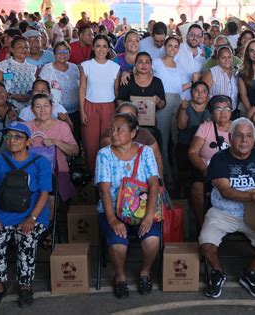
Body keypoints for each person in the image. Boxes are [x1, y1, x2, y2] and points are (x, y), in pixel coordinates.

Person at [200, 117, 255, 298]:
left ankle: (249, 273)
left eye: (249, 136)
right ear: (231, 138)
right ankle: (217, 272)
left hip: (254, 213)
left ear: (254, 139)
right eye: (239, 136)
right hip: (223, 212)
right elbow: (226, 191)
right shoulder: (219, 158)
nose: (244, 140)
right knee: (206, 244)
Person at [95, 113, 161, 298]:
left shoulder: (145, 151)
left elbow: (154, 184)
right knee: (118, 244)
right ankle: (120, 276)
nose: (114, 134)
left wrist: (149, 215)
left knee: (152, 239)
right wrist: (112, 220)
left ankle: (145, 272)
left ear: (133, 133)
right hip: (112, 210)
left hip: (141, 210)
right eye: (112, 129)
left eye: (119, 130)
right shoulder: (104, 154)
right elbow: (104, 191)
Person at [0, 122, 51, 308]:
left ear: (28, 141)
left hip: (33, 214)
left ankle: (25, 286)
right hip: (4, 213)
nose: (12, 140)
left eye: (17, 137)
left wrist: (31, 219)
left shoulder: (41, 162)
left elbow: (44, 193)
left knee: (27, 238)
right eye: (9, 137)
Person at [188, 95, 232, 228]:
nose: (223, 112)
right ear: (212, 112)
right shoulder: (205, 127)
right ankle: (203, 225)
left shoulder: (238, 126)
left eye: (226, 108)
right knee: (197, 188)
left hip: (232, 171)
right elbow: (193, 152)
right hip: (207, 168)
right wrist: (204, 169)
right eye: (218, 109)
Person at [79, 34, 120, 173]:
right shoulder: (86, 66)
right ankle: (93, 174)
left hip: (109, 107)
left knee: (108, 142)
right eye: (98, 46)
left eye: (104, 46)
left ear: (109, 49)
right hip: (90, 106)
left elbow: (116, 90)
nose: (101, 50)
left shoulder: (115, 67)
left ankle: (107, 173)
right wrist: (82, 111)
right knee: (90, 144)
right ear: (93, 48)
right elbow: (82, 89)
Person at [100, 102, 164, 181]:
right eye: (122, 115)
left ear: (137, 118)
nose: (126, 119)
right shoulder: (110, 133)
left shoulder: (144, 133)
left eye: (130, 115)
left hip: (143, 182)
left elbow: (157, 159)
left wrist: (161, 183)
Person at [153, 37, 186, 179]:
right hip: (163, 102)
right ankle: (165, 174)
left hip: (177, 101)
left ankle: (175, 172)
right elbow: (142, 74)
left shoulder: (179, 66)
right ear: (165, 47)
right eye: (170, 46)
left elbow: (179, 87)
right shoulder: (156, 62)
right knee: (163, 138)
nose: (172, 49)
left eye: (175, 47)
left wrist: (194, 82)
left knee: (175, 138)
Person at [39, 41, 80, 141]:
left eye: (65, 52)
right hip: (55, 112)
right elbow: (41, 89)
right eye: (59, 52)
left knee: (75, 138)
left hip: (75, 110)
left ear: (69, 54)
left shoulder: (74, 68)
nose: (62, 54)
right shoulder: (47, 68)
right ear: (54, 54)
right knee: (58, 138)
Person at [175, 81, 211, 189]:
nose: (200, 94)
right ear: (191, 93)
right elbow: (181, 126)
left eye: (203, 91)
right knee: (184, 174)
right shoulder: (185, 106)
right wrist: (183, 109)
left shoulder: (211, 108)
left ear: (207, 95)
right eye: (196, 91)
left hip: (204, 146)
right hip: (185, 144)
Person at [0, 36, 37, 112]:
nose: (24, 49)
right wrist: (12, 96)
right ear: (12, 49)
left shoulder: (33, 68)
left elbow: (35, 88)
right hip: (9, 107)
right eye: (20, 46)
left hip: (29, 108)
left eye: (26, 47)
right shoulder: (3, 66)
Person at [202, 46, 239, 116]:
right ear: (218, 59)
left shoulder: (236, 72)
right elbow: (204, 95)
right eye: (223, 58)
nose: (227, 60)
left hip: (233, 112)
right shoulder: (211, 73)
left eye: (229, 57)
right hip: (215, 114)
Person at [175, 24, 206, 100]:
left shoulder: (202, 57)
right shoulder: (177, 49)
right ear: (187, 36)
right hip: (176, 97)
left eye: (198, 36)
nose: (195, 38)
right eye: (192, 35)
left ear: (201, 39)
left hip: (193, 101)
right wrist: (192, 83)